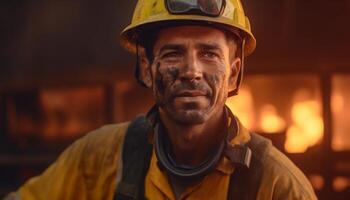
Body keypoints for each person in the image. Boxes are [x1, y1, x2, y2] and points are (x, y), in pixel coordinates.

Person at [5, 0, 317, 199]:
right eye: (173, 53)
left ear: (233, 74)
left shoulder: (276, 186)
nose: (191, 71)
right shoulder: (100, 158)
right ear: (147, 68)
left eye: (209, 54)